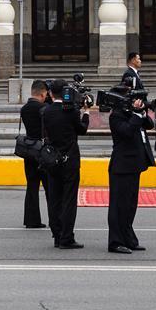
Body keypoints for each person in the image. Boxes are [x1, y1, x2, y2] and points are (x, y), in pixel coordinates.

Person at [41, 79, 90, 249]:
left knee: (54, 199)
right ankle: (66, 237)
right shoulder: (71, 111)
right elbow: (82, 129)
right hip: (70, 161)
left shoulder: (46, 111)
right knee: (69, 200)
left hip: (52, 160)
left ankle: (56, 235)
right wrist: (86, 112)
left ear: (51, 94)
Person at [107, 88, 155, 253]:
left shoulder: (133, 113)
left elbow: (149, 124)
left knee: (130, 205)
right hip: (121, 166)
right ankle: (115, 241)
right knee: (118, 205)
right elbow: (126, 132)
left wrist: (141, 111)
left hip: (135, 165)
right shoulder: (116, 116)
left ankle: (129, 239)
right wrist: (135, 114)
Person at [19, 80, 50, 228]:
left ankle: (31, 220)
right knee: (50, 187)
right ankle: (54, 218)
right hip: (42, 151)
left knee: (32, 186)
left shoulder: (24, 109)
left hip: (29, 150)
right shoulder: (44, 108)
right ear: (43, 94)